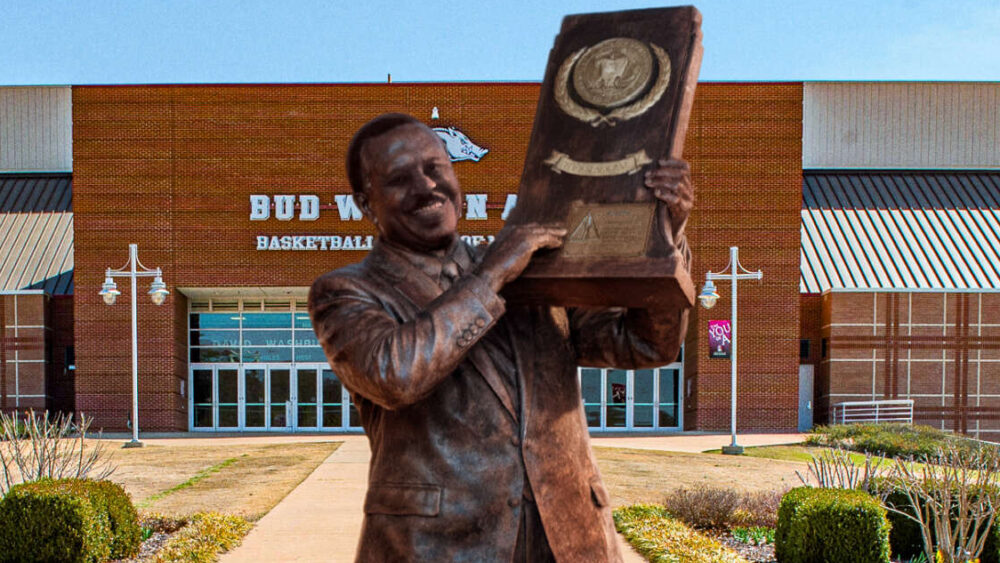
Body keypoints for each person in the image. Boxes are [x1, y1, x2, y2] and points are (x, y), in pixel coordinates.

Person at [308, 113, 693, 562]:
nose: (426, 186)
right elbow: (395, 374)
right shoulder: (345, 292)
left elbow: (646, 344)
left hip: (569, 541)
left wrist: (667, 231)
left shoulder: (533, 272)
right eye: (399, 178)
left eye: (436, 168)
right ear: (366, 204)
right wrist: (491, 275)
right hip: (437, 549)